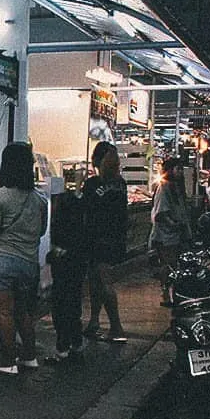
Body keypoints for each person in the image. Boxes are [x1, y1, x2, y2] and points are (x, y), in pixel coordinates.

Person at [0, 142, 48, 375]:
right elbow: (41, 231)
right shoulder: (40, 199)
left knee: (5, 312)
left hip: (2, 262)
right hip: (28, 262)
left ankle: (8, 362)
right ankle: (29, 357)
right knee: (23, 311)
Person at [82, 141, 128, 343]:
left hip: (95, 238)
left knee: (102, 281)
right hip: (115, 237)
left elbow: (85, 210)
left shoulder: (92, 184)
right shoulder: (120, 184)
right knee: (97, 280)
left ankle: (116, 326)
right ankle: (94, 322)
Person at [44, 185, 89, 364]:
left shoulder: (59, 228)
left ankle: (62, 348)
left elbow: (55, 252)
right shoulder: (80, 230)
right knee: (74, 307)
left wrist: (51, 255)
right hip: (77, 268)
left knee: (61, 308)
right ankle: (76, 345)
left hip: (62, 272)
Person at [149, 156, 193, 305]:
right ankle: (165, 293)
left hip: (176, 234)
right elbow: (160, 214)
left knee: (175, 265)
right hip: (165, 235)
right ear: (170, 170)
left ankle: (175, 293)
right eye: (178, 169)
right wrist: (174, 224)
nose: (181, 172)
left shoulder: (176, 188)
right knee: (168, 265)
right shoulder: (164, 187)